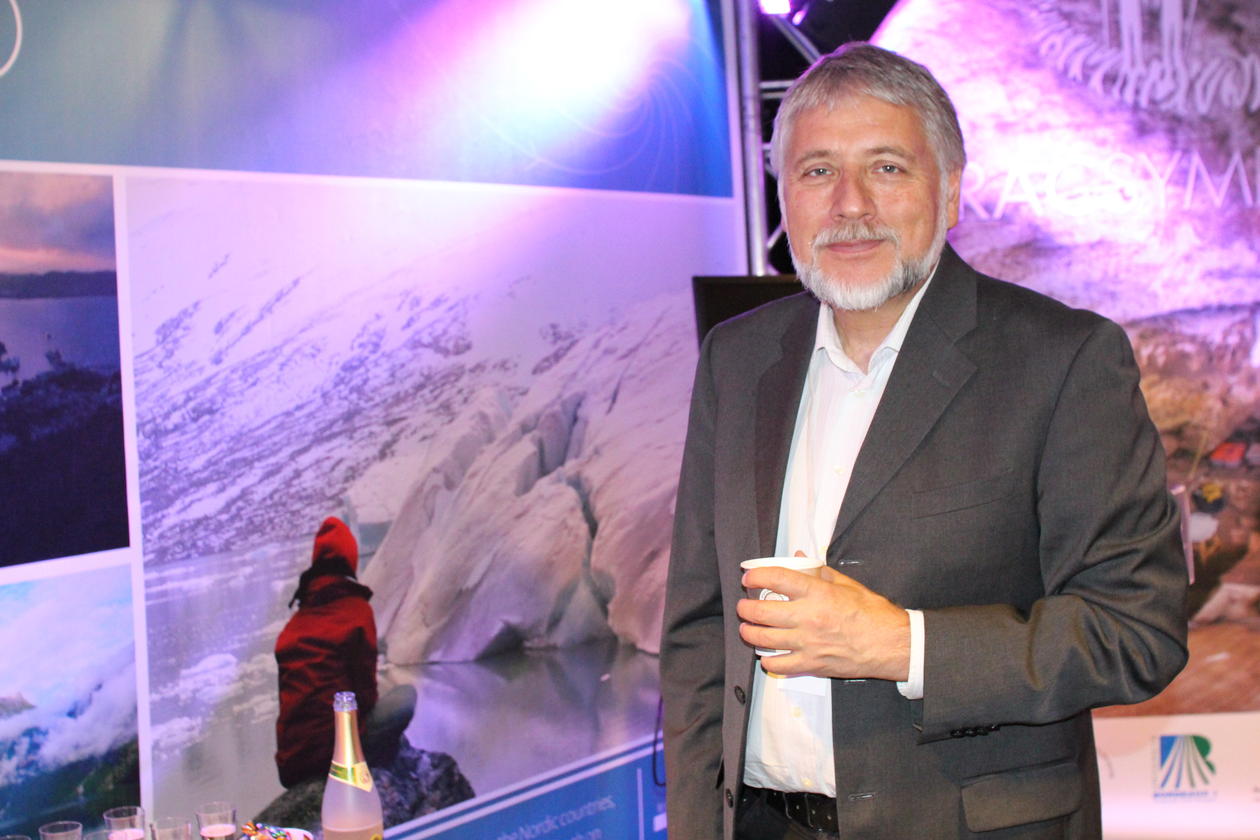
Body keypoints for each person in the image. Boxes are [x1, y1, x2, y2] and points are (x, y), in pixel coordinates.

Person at [660, 43, 1189, 840]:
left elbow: (1137, 630)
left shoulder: (1064, 360)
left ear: (949, 191)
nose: (849, 205)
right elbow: (699, 633)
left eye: (887, 168)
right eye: (817, 171)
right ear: (785, 196)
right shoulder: (736, 359)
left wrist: (901, 645)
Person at [275, 516, 416, 788]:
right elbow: (365, 693)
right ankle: (383, 775)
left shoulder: (296, 624)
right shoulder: (356, 611)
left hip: (292, 765)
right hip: (337, 752)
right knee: (405, 697)